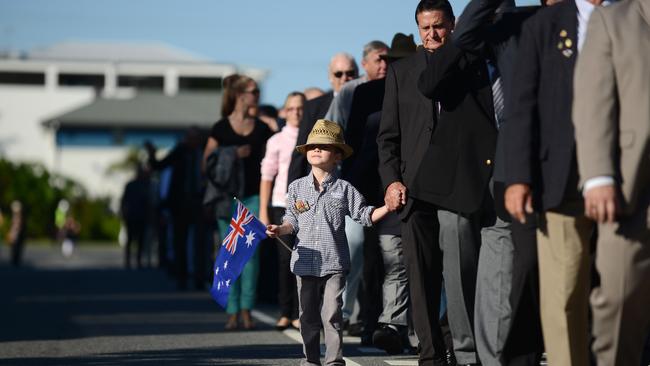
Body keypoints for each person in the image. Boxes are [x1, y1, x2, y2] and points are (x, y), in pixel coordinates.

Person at [504, 0, 609, 364]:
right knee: (563, 295)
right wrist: (518, 176)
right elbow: (522, 106)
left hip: (629, 182)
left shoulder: (637, 16)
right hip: (561, 182)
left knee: (620, 294)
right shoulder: (544, 26)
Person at [452, 0, 544, 364]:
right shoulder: (506, 30)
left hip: (564, 163)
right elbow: (465, 34)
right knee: (505, 272)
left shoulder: (532, 20)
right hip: (505, 168)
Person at [266, 119, 390, 366]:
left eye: (323, 146)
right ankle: (310, 360)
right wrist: (280, 229)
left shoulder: (345, 189)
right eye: (312, 146)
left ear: (337, 156)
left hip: (334, 261)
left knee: (331, 313)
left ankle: (334, 360)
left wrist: (388, 207)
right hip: (304, 261)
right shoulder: (297, 188)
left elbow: (364, 215)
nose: (316, 150)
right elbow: (292, 220)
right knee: (307, 315)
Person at [572, 1, 650, 364]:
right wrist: (598, 176)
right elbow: (593, 102)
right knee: (619, 301)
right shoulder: (613, 20)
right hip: (631, 192)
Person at [342, 32, 417, 353]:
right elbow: (353, 141)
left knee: (397, 259)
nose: (392, 66)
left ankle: (394, 325)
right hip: (366, 186)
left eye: (398, 61)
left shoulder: (419, 88)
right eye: (388, 61)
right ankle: (373, 322)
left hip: (403, 184)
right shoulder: (365, 93)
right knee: (370, 256)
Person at [203, 74, 273, 330]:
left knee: (250, 254)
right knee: (230, 253)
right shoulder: (220, 128)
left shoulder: (264, 128)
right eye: (254, 91)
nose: (257, 96)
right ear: (240, 95)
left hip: (253, 196)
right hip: (226, 199)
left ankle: (246, 309)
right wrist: (232, 153)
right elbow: (206, 162)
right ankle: (231, 310)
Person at [259, 91, 306, 331]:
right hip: (281, 204)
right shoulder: (276, 140)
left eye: (300, 108)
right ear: (284, 112)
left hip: (307, 207)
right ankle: (285, 311)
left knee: (304, 259)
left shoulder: (312, 137)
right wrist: (263, 211)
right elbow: (267, 176)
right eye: (291, 108)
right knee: (286, 259)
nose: (296, 112)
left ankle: (300, 313)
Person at [287, 53, 358, 186]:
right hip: (318, 184)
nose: (344, 78)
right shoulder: (313, 106)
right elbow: (300, 152)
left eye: (350, 73)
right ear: (330, 77)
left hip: (358, 181)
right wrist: (290, 193)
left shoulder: (369, 104)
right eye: (338, 74)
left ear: (357, 74)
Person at [120, 164, 152, 269]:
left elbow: (147, 202)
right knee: (130, 240)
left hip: (141, 216)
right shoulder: (130, 185)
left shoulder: (145, 185)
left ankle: (138, 261)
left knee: (140, 240)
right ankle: (128, 261)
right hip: (131, 216)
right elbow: (124, 200)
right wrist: (124, 213)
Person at [7, 200, 26, 266]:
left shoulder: (18, 216)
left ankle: (15, 260)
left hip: (17, 233)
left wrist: (12, 234)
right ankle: (15, 260)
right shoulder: (18, 215)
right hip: (17, 233)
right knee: (15, 247)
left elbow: (16, 226)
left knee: (16, 247)